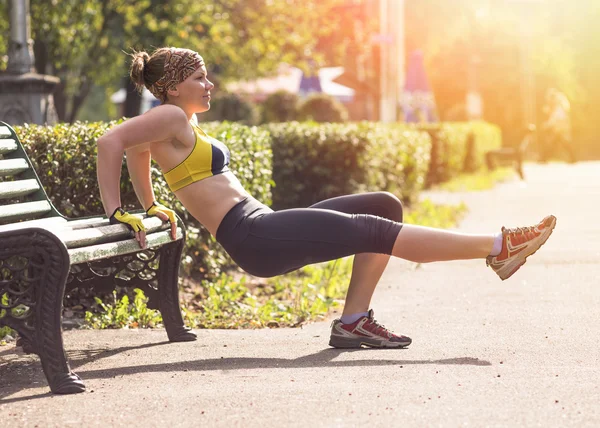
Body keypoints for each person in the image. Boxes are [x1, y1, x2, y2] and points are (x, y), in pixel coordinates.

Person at [97, 47, 557, 349]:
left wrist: (151, 202)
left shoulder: (175, 120)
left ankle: (353, 321)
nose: (209, 84)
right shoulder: (172, 116)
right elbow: (112, 143)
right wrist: (117, 210)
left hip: (262, 223)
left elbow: (137, 151)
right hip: (252, 236)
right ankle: (499, 247)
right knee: (377, 230)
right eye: (200, 77)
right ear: (175, 87)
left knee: (383, 205)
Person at [540, 88, 576, 163]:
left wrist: (546, 125)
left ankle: (544, 158)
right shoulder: (559, 105)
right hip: (559, 128)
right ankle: (544, 158)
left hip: (560, 128)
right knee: (557, 143)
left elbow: (555, 118)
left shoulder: (559, 106)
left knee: (554, 143)